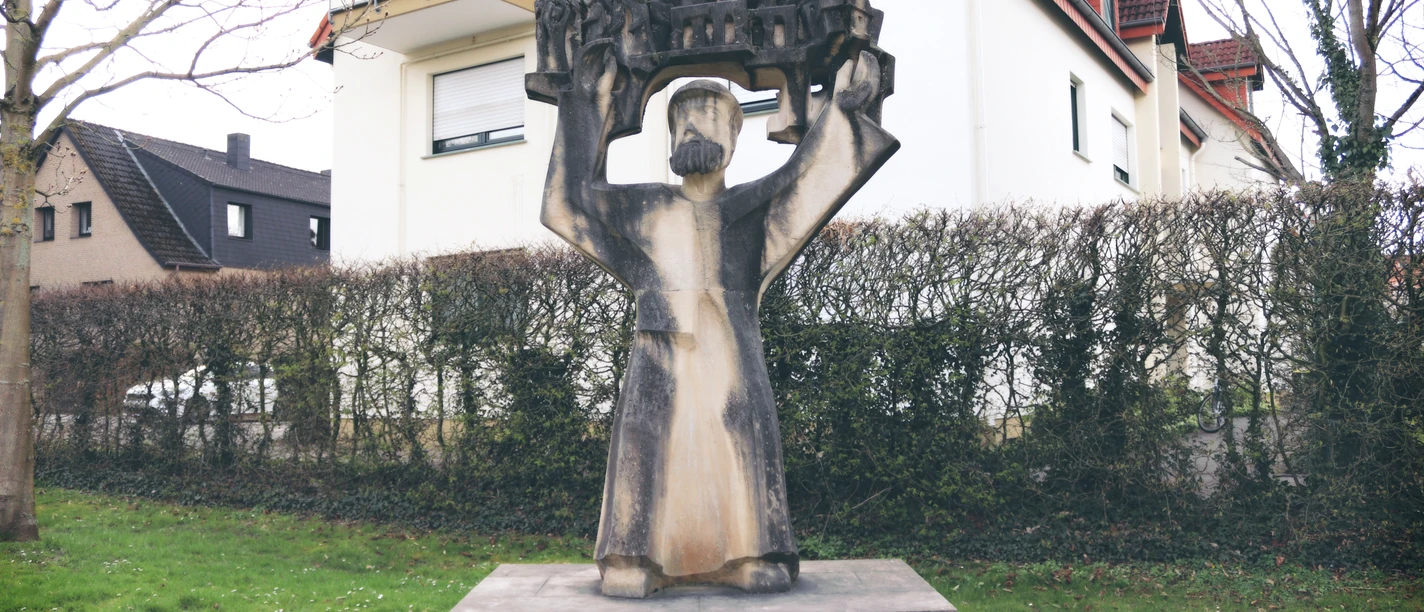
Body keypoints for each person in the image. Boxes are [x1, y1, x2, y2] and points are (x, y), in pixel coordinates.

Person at [539, 45, 899, 598]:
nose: (693, 130)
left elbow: (814, 176)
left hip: (730, 355)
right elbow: (567, 206)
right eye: (682, 120)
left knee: (740, 440)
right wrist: (587, 108)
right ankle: (636, 557)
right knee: (649, 443)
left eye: (709, 117)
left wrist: (850, 110)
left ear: (735, 135)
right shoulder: (644, 211)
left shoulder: (755, 210)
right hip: (660, 355)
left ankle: (750, 553)